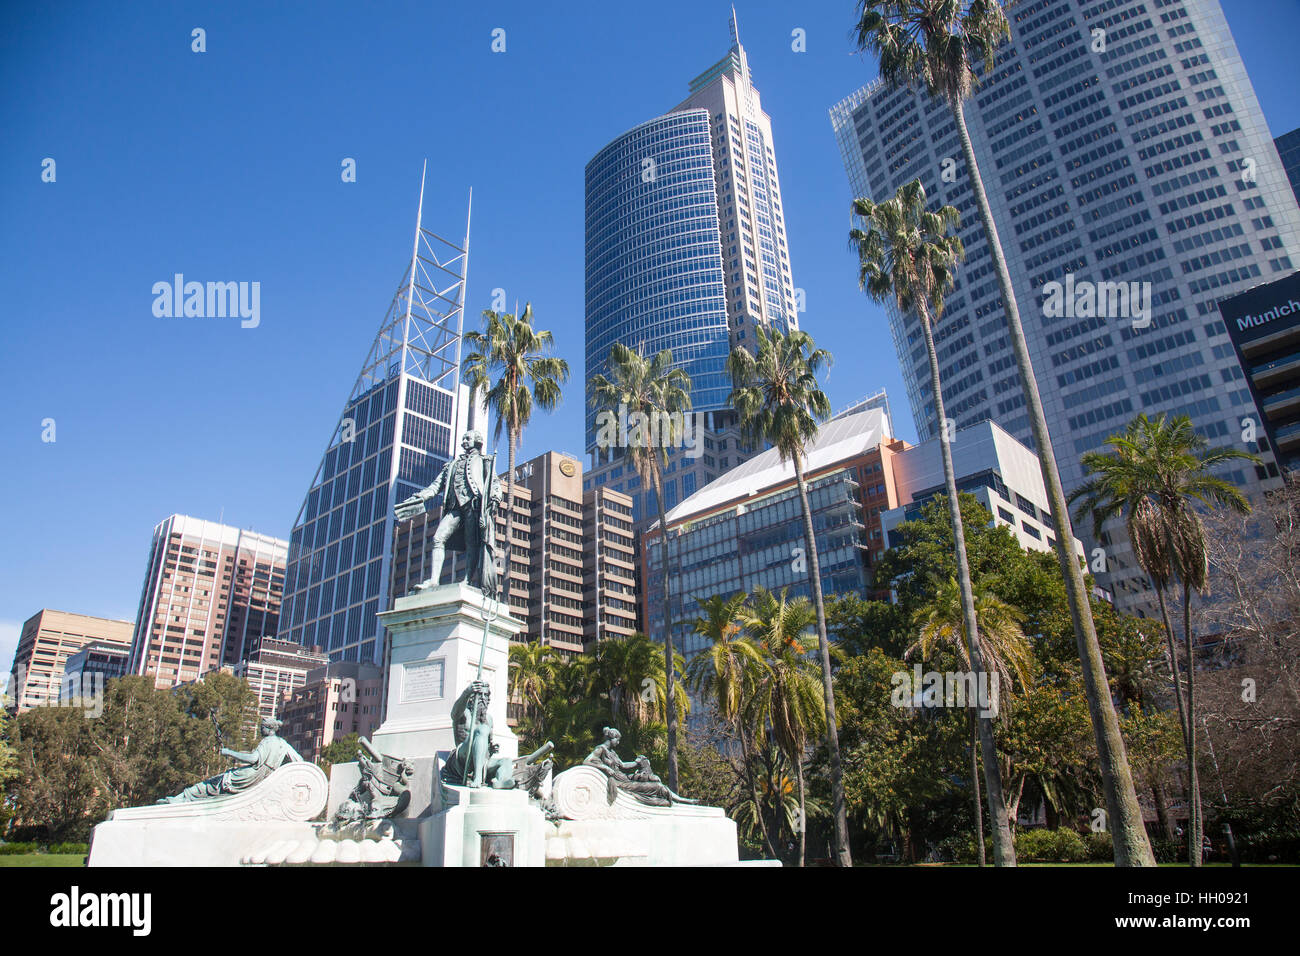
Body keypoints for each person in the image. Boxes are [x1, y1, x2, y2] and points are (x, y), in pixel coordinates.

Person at [396, 430, 502, 595]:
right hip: (454, 508)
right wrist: (421, 497)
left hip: (473, 506)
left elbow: (494, 482)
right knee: (438, 538)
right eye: (463, 438)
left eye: (467, 438)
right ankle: (433, 580)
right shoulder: (452, 465)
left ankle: (467, 579)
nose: (464, 441)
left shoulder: (484, 461)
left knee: (472, 544)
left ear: (477, 441)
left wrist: (495, 499)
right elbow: (435, 486)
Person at [158, 717, 302, 803]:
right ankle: (182, 799)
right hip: (262, 778)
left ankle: (180, 799)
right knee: (214, 785)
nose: (259, 730)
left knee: (211, 783)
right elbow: (300, 761)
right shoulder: (283, 744)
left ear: (269, 728)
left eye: (262, 727)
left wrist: (229, 753)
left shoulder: (266, 742)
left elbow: (253, 758)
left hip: (249, 776)